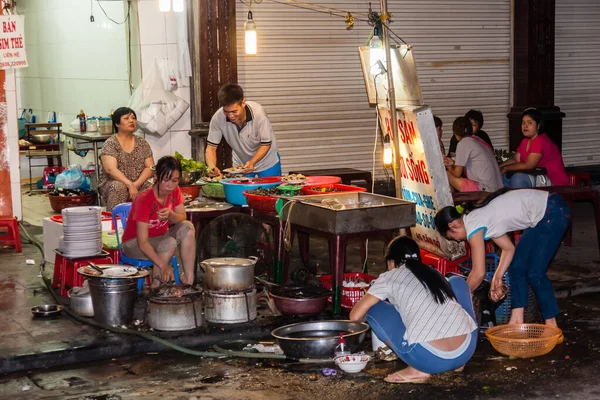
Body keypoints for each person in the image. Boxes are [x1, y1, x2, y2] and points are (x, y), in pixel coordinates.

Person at [434, 188, 570, 334]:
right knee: (516, 266)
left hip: (552, 211)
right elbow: (508, 249)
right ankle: (516, 321)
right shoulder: (477, 219)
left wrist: (458, 298)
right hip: (543, 213)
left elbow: (478, 273)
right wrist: (496, 278)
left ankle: (552, 326)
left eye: (452, 237)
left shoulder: (473, 225)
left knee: (535, 272)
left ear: (452, 226)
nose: (457, 240)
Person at [350, 236, 477, 384]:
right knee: (457, 282)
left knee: (373, 308)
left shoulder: (389, 277)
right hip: (466, 350)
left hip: (428, 359)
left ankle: (416, 370)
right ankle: (458, 364)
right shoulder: (433, 272)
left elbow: (355, 316)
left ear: (391, 262)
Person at [121, 156, 196, 286]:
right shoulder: (144, 200)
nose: (170, 185)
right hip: (133, 244)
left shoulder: (175, 191)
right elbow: (142, 242)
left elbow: (182, 216)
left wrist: (171, 215)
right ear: (156, 176)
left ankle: (189, 281)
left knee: (188, 228)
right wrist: (163, 265)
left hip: (160, 237)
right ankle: (156, 287)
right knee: (169, 243)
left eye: (175, 180)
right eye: (166, 180)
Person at [206, 84, 281, 177]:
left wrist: (252, 162)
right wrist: (212, 167)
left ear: (243, 103)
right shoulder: (218, 118)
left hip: (267, 161)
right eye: (226, 112)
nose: (231, 116)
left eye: (234, 111)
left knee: (271, 190)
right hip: (241, 163)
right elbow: (211, 148)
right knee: (242, 190)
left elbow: (266, 144)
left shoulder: (259, 114)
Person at [98, 107, 155, 211]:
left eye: (133, 118)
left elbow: (150, 167)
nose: (131, 121)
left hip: (138, 182)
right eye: (126, 118)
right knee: (118, 187)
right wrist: (129, 184)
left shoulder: (142, 143)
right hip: (115, 183)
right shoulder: (110, 143)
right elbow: (111, 170)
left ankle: (149, 221)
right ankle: (115, 220)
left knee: (153, 187)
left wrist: (135, 185)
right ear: (117, 123)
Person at [500, 108, 569, 188]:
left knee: (518, 178)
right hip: (537, 175)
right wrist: (499, 167)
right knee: (504, 177)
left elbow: (529, 165)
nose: (525, 126)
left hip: (554, 181)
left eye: (529, 123)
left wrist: (506, 168)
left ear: (538, 125)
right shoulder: (525, 141)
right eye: (523, 123)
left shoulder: (540, 140)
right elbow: (515, 160)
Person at [444, 117, 503, 192]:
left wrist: (449, 167)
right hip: (499, 189)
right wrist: (453, 163)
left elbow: (457, 173)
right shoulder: (478, 140)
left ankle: (451, 202)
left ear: (455, 133)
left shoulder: (463, 143)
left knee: (447, 174)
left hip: (486, 190)